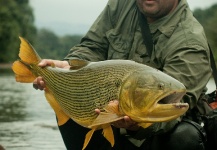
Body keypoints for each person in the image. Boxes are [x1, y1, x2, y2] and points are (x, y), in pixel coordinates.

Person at [33, 0, 212, 149]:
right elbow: (92, 47)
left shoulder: (190, 42)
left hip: (157, 136)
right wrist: (70, 66)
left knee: (184, 138)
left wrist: (137, 124)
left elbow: (177, 109)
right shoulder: (122, 4)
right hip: (112, 121)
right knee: (72, 97)